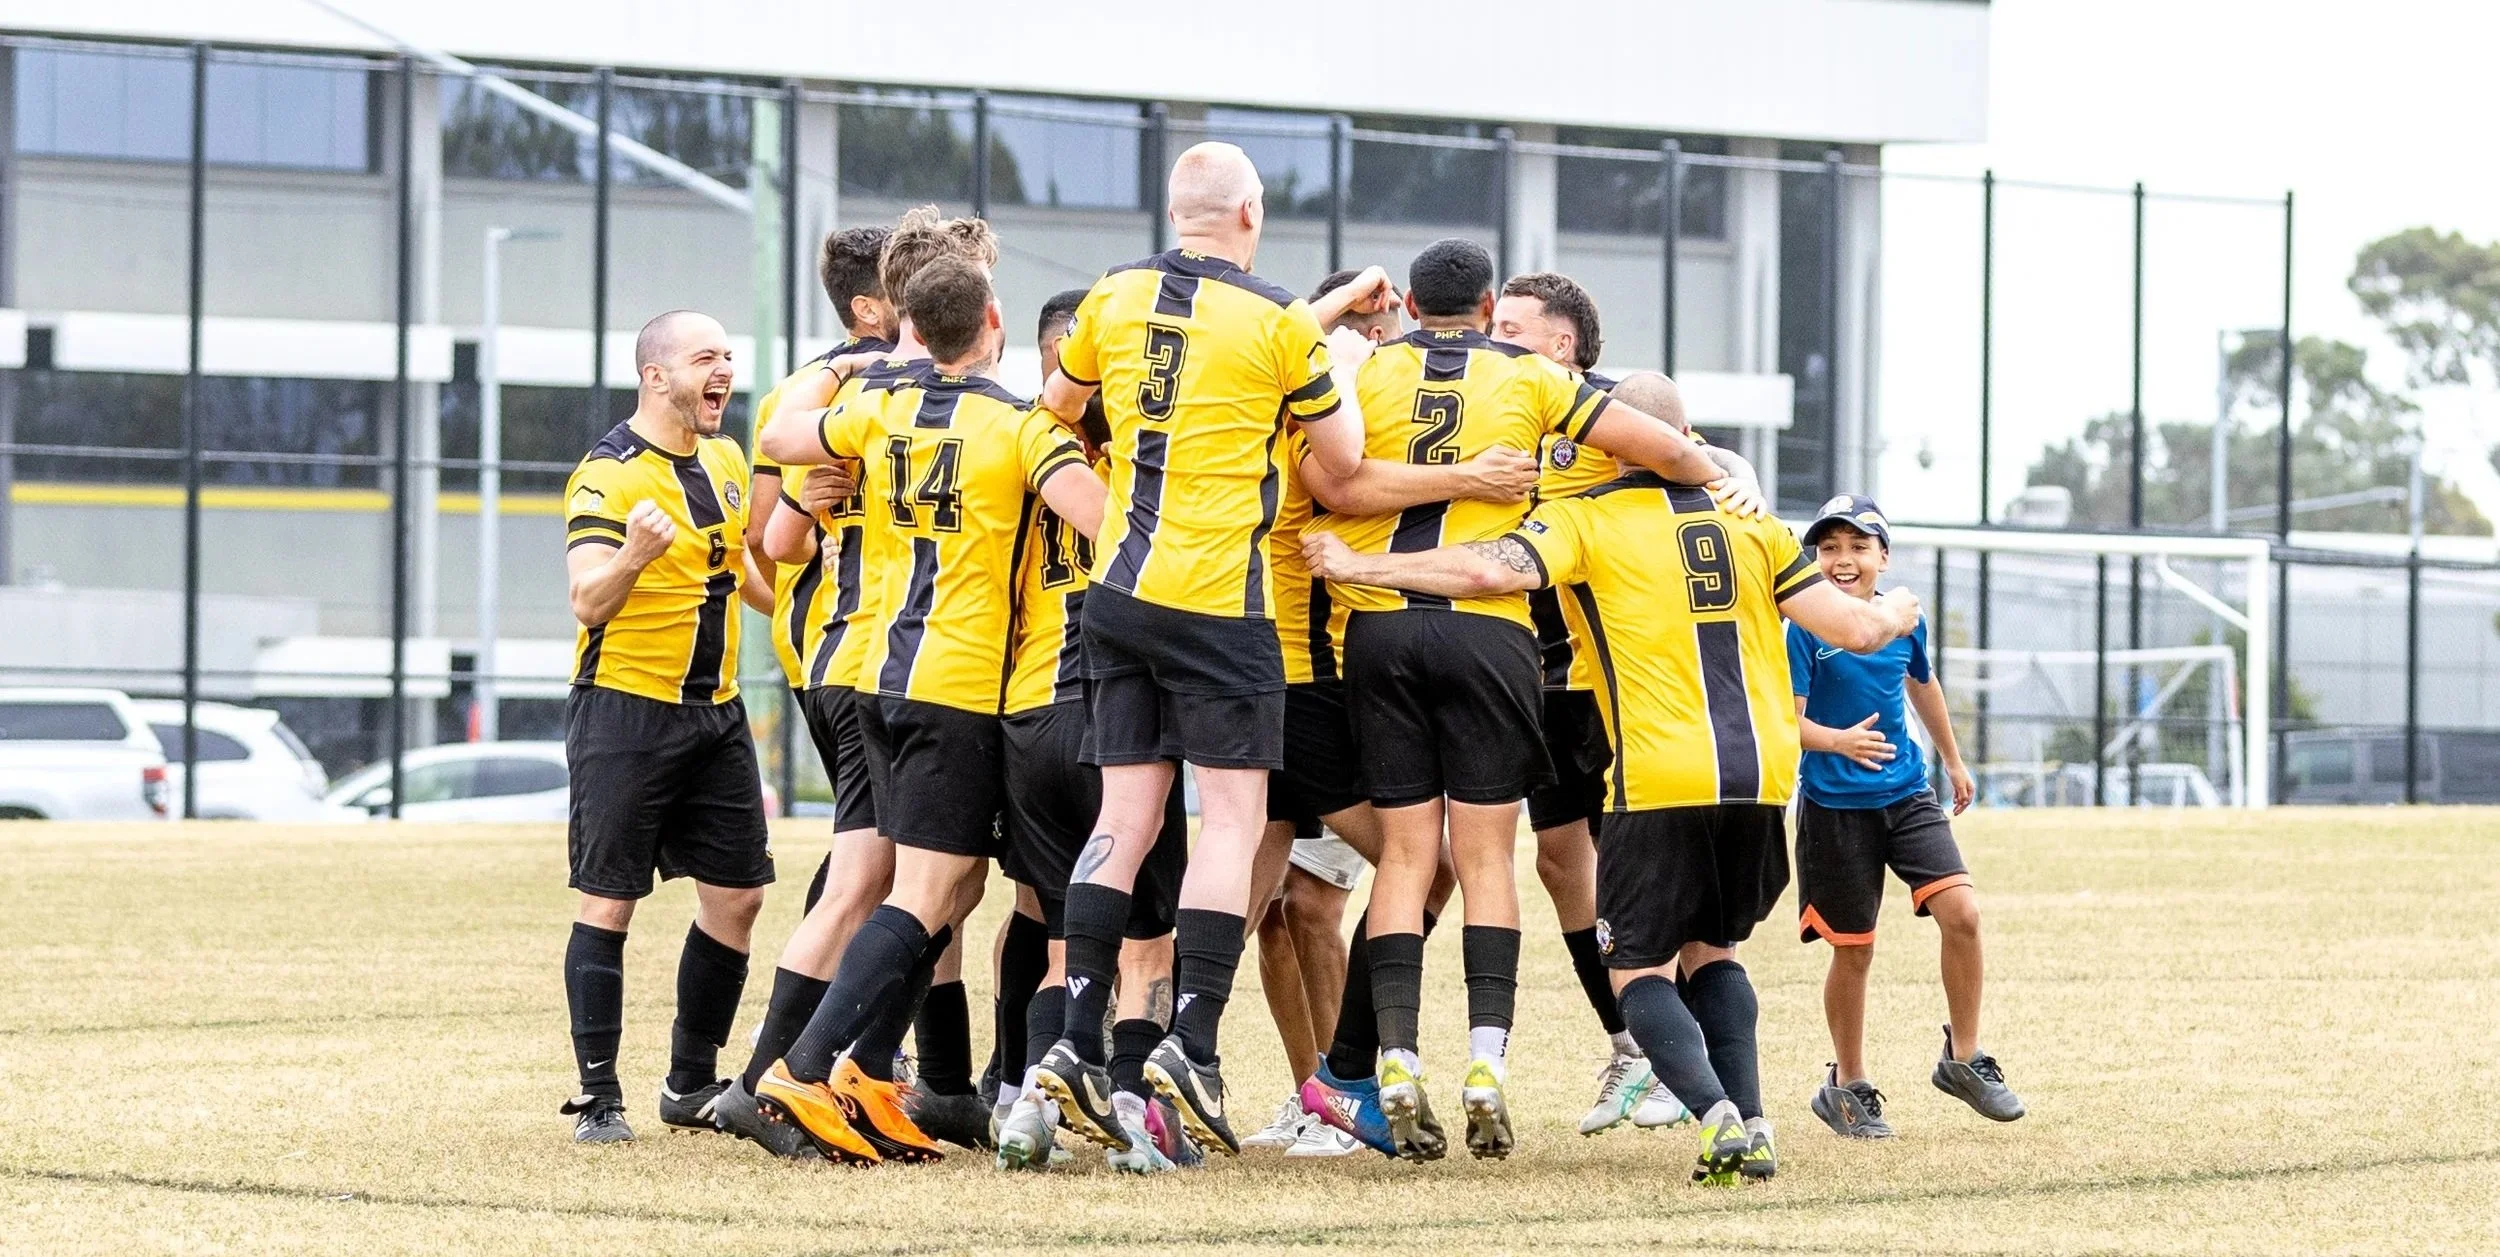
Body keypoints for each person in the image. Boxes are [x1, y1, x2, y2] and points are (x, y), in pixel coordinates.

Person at [1303, 465, 1918, 1186]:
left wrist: (1360, 564)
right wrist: (1899, 607)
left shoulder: (1587, 517)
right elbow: (1860, 626)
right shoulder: (1754, 521)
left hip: (1659, 773)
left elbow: (1480, 570)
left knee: (1634, 968)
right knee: (1712, 950)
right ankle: (1754, 1123)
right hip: (1760, 776)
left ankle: (1714, 1111)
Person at [1301, 237, 1739, 1163]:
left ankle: (1393, 1057)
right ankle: (1487, 1062)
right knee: (1491, 856)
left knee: (1408, 859)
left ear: (1410, 304)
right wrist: (1718, 477)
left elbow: (1322, 475)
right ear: (1488, 303)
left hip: (1375, 626)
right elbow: (1659, 442)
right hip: (1490, 628)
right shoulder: (1536, 381)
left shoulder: (1367, 371)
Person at [1026, 141, 1369, 1159]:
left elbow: (1055, 411)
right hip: (1224, 601)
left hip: (1117, 593)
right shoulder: (1277, 322)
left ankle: (1074, 1039)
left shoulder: (1110, 296)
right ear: (1251, 213)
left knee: (1123, 818)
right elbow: (1340, 463)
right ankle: (1194, 1041)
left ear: (1176, 211)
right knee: (1231, 819)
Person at [751, 257, 1108, 1165]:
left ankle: (865, 1076)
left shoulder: (879, 404)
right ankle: (802, 1065)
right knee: (923, 893)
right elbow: (1103, 520)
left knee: (942, 888)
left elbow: (787, 435)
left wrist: (842, 380)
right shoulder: (1019, 426)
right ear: (994, 317)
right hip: (957, 684)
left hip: (878, 671)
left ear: (913, 322)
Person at [715, 208, 999, 1159]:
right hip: (909, 665)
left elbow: (784, 534)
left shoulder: (849, 394)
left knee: (900, 877)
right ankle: (786, 1077)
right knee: (892, 880)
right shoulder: (970, 402)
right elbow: (782, 532)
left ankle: (861, 1077)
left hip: (853, 660)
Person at [1253, 265, 1517, 1159]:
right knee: (1315, 894)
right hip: (1317, 675)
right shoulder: (1331, 392)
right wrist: (1470, 476)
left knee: (1292, 898)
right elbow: (1345, 483)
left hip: (1312, 671)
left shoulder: (1332, 383)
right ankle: (1331, 1082)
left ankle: (1330, 1078)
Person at [1494, 272, 1767, 1135]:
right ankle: (1635, 1047)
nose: (1494, 340)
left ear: (1562, 346)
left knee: (1653, 881)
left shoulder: (1605, 412)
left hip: (1611, 684)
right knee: (1559, 864)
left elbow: (1701, 453)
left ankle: (1676, 1058)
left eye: (1511, 327)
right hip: (1535, 670)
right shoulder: (1491, 406)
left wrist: (1739, 471)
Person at [990, 288, 1200, 1175]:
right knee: (1148, 938)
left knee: (1063, 935)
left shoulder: (1011, 447)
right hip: (1117, 710)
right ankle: (1131, 1113)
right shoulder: (1157, 458)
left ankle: (1030, 1107)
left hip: (1026, 713)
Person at [556, 310, 772, 1144]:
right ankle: (598, 1096)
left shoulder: (724, 459)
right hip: (626, 711)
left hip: (715, 713)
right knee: (609, 903)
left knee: (740, 896)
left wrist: (805, 587)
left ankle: (688, 1083)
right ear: (656, 377)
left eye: (729, 354)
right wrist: (633, 557)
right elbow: (587, 599)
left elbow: (744, 570)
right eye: (705, 357)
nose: (724, 370)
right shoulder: (607, 477)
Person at [1786, 495, 2025, 1139]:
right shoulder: (1804, 628)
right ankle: (1847, 1085)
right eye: (1829, 547)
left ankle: (1964, 1058)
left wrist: (1952, 760)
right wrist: (1837, 741)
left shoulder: (1904, 618)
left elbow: (1922, 683)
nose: (1842, 560)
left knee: (1964, 914)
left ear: (1882, 558)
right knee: (1855, 953)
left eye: (1858, 547)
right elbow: (1785, 720)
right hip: (1834, 809)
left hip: (1907, 795)